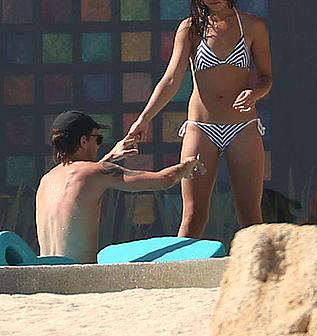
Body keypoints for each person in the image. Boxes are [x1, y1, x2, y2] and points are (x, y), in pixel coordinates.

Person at [128, 0, 272, 238]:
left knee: (250, 216)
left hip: (242, 126)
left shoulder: (253, 26)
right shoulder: (191, 28)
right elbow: (170, 79)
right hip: (201, 127)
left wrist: (254, 93)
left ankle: (261, 278)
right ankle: (181, 278)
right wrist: (143, 119)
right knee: (193, 216)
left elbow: (267, 77)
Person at [35, 110, 205, 263]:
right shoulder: (97, 172)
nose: (98, 145)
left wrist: (109, 157)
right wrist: (186, 166)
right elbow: (164, 179)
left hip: (46, 276)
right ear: (84, 141)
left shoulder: (46, 181)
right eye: (98, 138)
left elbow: (80, 182)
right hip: (79, 278)